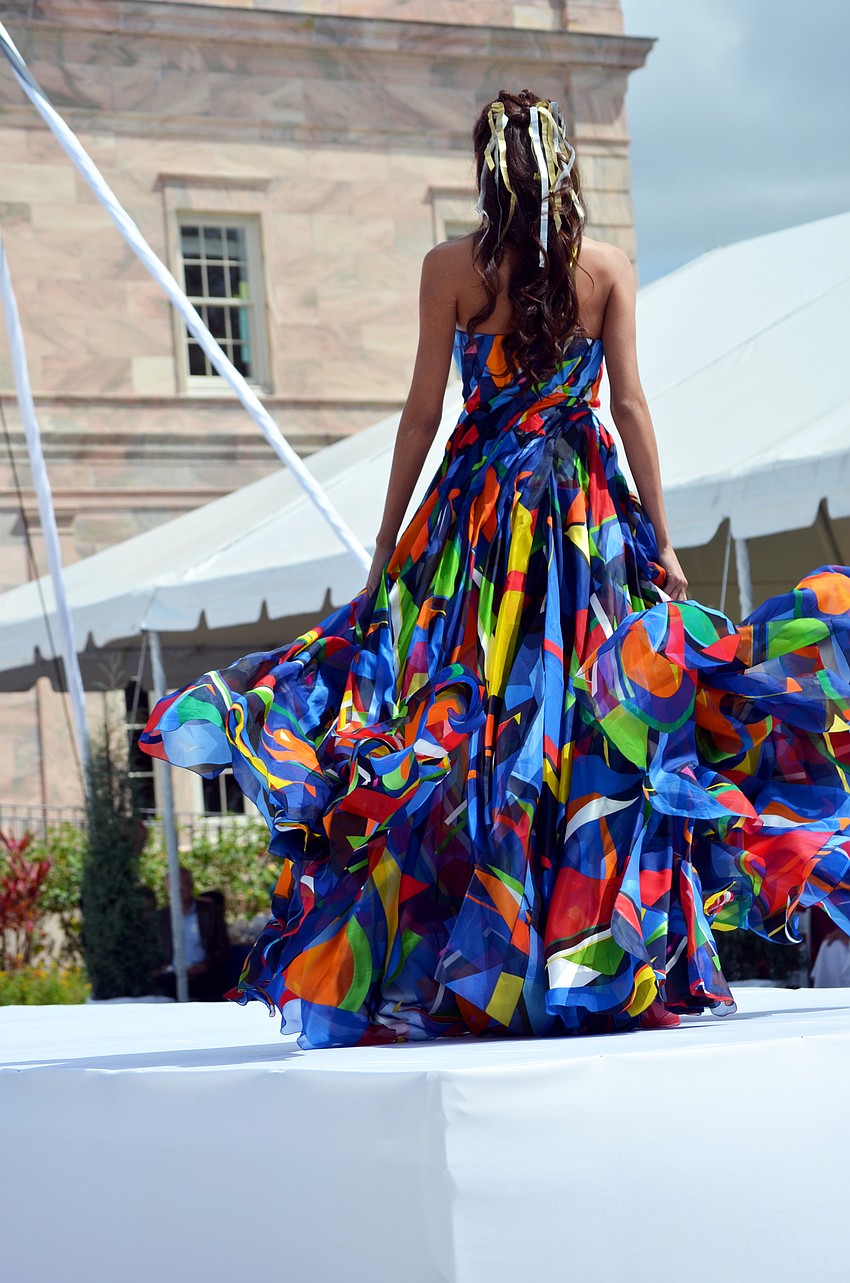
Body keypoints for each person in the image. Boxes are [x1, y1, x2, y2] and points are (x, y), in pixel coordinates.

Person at [141, 90, 850, 1048]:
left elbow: (421, 414)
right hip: (585, 521)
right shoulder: (606, 270)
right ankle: (589, 961)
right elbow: (631, 408)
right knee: (592, 718)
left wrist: (388, 545)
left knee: (466, 717)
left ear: (488, 171)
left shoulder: (454, 268)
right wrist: (667, 544)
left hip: (481, 526)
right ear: (565, 171)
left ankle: (485, 962)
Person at [152, 866, 231, 1002]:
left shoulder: (210, 912)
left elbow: (222, 947)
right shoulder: (160, 918)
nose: (178, 889)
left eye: (182, 883)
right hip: (170, 977)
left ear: (191, 885)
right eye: (172, 885)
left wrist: (203, 966)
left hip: (206, 974)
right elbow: (152, 949)